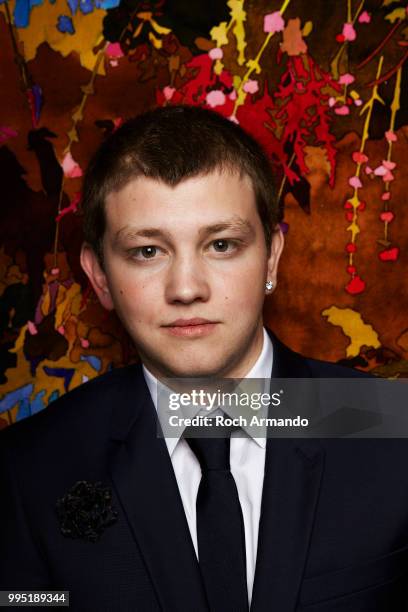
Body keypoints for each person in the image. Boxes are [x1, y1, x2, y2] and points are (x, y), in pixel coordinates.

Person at [0, 105, 407, 612]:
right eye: (147, 251)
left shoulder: (395, 432)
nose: (187, 288)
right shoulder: (27, 469)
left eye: (221, 244)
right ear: (99, 276)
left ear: (272, 257)